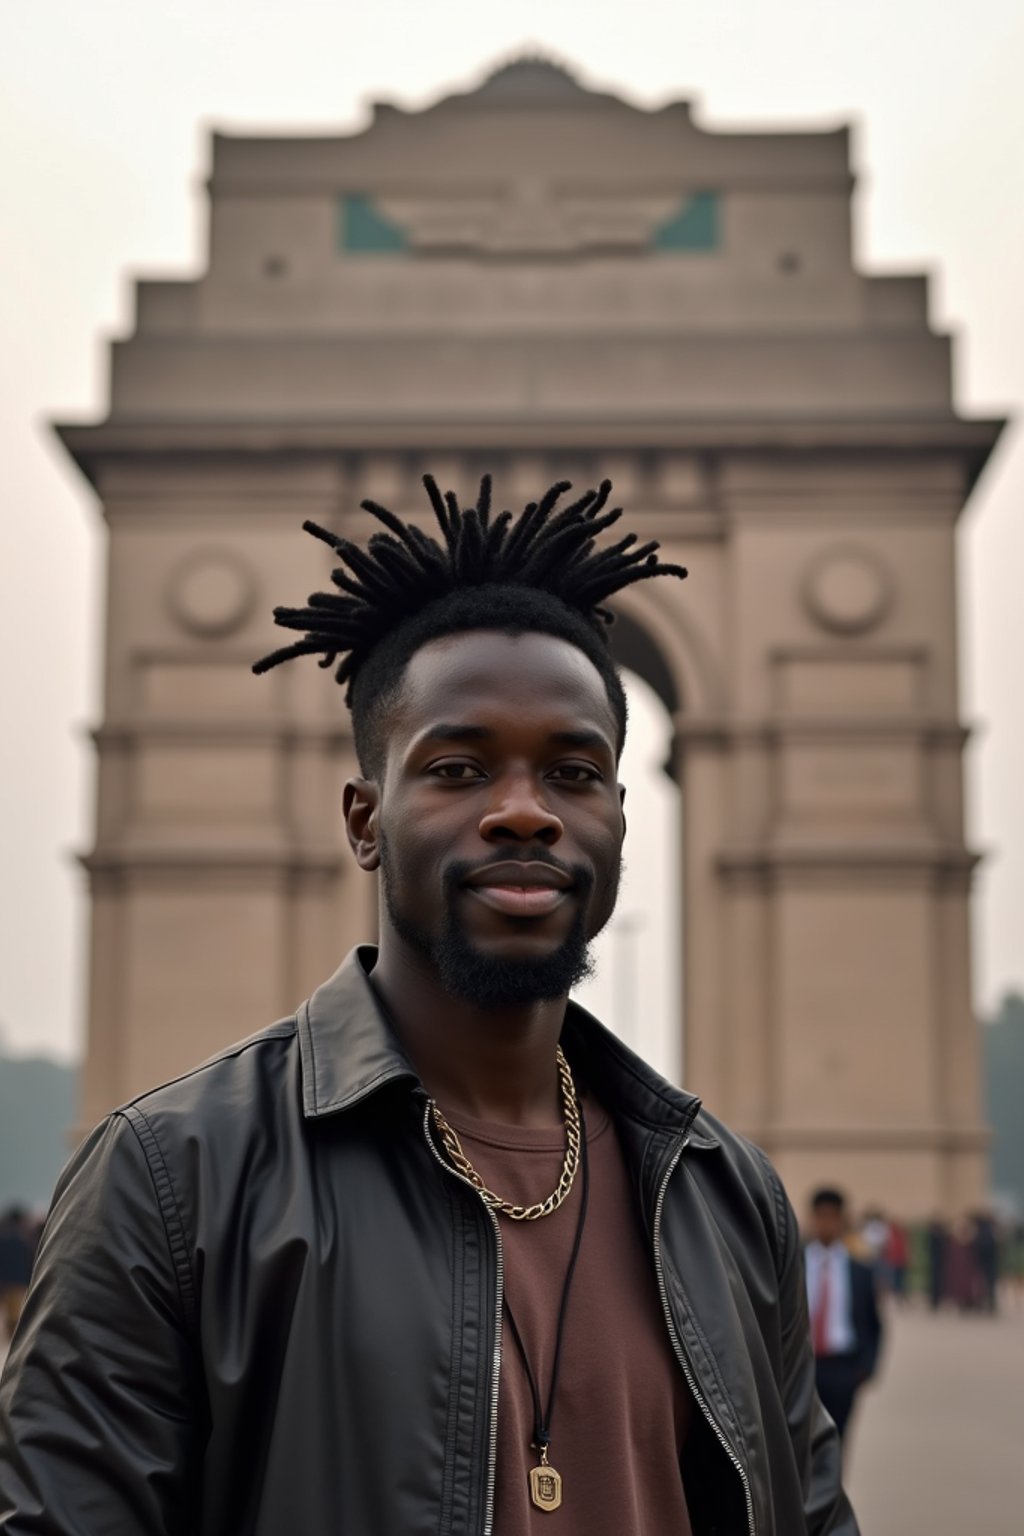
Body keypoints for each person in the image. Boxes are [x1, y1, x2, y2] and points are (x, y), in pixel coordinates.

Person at [0, 475, 857, 1534]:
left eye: (574, 771)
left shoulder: (728, 1199)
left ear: (620, 821)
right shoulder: (171, 1185)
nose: (522, 813)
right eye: (457, 766)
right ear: (365, 818)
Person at [804, 1188, 883, 1446]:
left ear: (842, 1220)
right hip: (802, 1366)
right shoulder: (793, 1266)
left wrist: (865, 1368)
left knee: (837, 1441)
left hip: (843, 1368)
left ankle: (832, 1487)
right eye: (820, 1217)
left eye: (831, 1217)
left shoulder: (860, 1270)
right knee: (800, 1444)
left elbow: (874, 1323)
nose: (825, 1223)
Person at [0, 1211, 32, 1343]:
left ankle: (8, 1337)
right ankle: (14, 1339)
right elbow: (28, 1261)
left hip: (4, 1281)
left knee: (7, 1312)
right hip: (19, 1281)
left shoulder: (2, 1239)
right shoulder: (23, 1240)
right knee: (16, 1314)